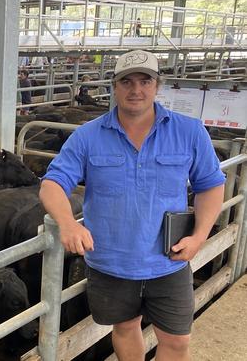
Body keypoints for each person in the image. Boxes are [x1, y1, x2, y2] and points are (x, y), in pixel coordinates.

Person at [39, 50, 225, 361]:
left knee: (177, 340)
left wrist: (200, 235)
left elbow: (211, 186)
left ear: (157, 85)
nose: (135, 90)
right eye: (126, 81)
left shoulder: (189, 131)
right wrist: (68, 223)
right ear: (114, 86)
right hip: (111, 262)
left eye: (144, 80)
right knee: (125, 328)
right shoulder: (87, 136)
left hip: (169, 261)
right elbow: (52, 184)